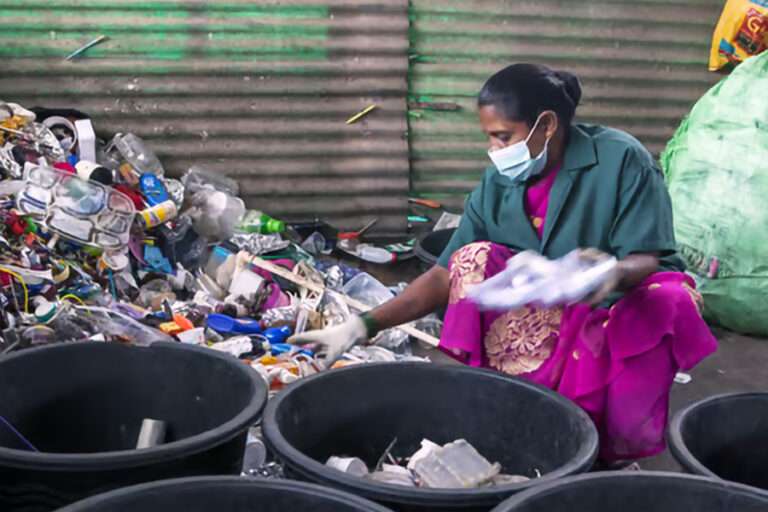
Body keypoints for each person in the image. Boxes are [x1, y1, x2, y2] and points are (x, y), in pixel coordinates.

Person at [291, 63, 717, 463]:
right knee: (473, 258)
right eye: (489, 138)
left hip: (613, 312)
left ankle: (611, 451)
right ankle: (512, 410)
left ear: (547, 125)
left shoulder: (620, 158)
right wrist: (362, 326)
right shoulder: (499, 181)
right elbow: (444, 273)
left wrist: (606, 273)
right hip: (548, 315)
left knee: (671, 299)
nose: (493, 150)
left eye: (502, 136)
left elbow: (648, 257)